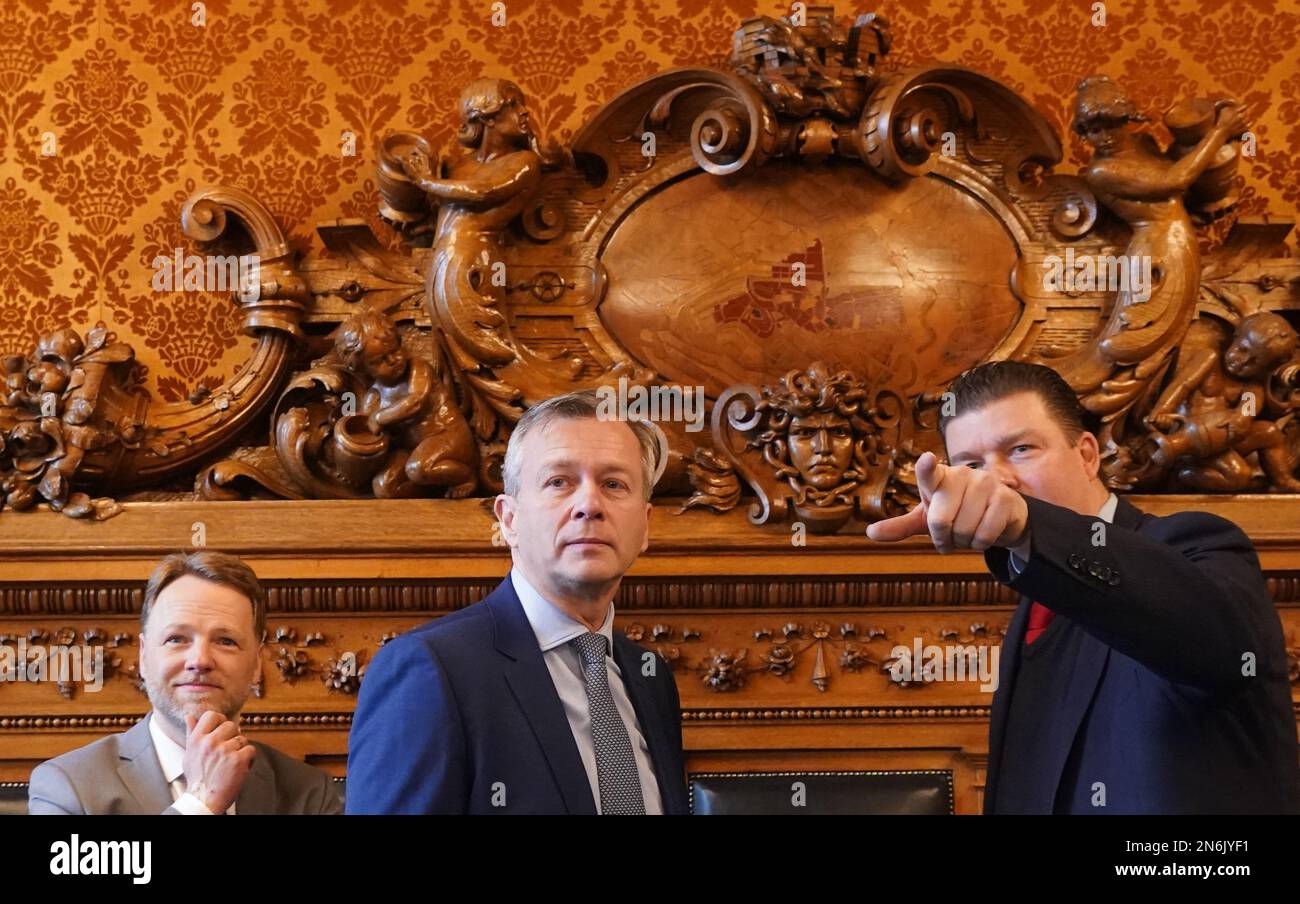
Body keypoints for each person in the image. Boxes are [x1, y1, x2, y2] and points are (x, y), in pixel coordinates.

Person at [868, 360, 1300, 814]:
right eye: (972, 464)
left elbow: (1219, 644)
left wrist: (1027, 525)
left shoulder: (1194, 543)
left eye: (1020, 449)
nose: (995, 480)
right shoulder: (1032, 603)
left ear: (1088, 455)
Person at [347, 389, 688, 814]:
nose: (589, 505)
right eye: (559, 482)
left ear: (645, 527)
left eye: (614, 484)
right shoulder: (430, 670)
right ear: (509, 519)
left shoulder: (650, 679)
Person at [29, 551, 343, 815]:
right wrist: (201, 802)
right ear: (143, 656)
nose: (200, 660)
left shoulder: (310, 794)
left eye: (226, 641)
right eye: (176, 639)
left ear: (257, 664)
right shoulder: (67, 786)